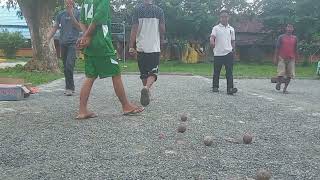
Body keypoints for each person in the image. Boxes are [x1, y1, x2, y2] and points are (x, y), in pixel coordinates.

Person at [76, 0, 144, 119]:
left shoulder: (86, 1)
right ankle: (126, 106)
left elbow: (81, 21)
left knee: (90, 76)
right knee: (116, 73)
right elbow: (96, 20)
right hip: (102, 44)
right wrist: (87, 36)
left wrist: (85, 36)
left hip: (90, 45)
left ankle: (82, 110)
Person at [129, 0, 166, 106]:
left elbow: (134, 28)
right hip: (154, 46)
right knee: (153, 72)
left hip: (141, 46)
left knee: (144, 73)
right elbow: (162, 28)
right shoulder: (159, 11)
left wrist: (131, 46)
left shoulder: (137, 9)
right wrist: (162, 38)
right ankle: (146, 88)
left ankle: (147, 93)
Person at [47, 0, 80, 96]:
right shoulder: (60, 14)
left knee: (69, 65)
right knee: (65, 67)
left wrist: (71, 14)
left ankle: (70, 88)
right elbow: (55, 27)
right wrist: (48, 38)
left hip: (73, 43)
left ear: (73, 1)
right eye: (66, 0)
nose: (67, 1)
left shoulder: (78, 13)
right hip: (63, 43)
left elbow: (79, 27)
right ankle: (69, 87)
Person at [210, 10, 238, 95]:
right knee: (216, 71)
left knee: (229, 72)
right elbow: (212, 37)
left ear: (228, 18)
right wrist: (212, 42)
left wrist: (233, 50)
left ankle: (230, 88)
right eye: (222, 17)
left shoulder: (231, 29)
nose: (224, 18)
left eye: (226, 16)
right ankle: (215, 86)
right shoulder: (216, 28)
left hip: (228, 53)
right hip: (218, 53)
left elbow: (233, 41)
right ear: (220, 18)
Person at [273, 24, 298, 94]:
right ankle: (279, 83)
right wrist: (275, 57)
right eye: (288, 27)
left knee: (290, 74)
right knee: (281, 73)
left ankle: (285, 89)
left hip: (291, 58)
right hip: (282, 57)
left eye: (291, 27)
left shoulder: (295, 38)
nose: (290, 29)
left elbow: (296, 49)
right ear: (286, 28)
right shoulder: (281, 37)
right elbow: (277, 48)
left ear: (293, 29)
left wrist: (297, 58)